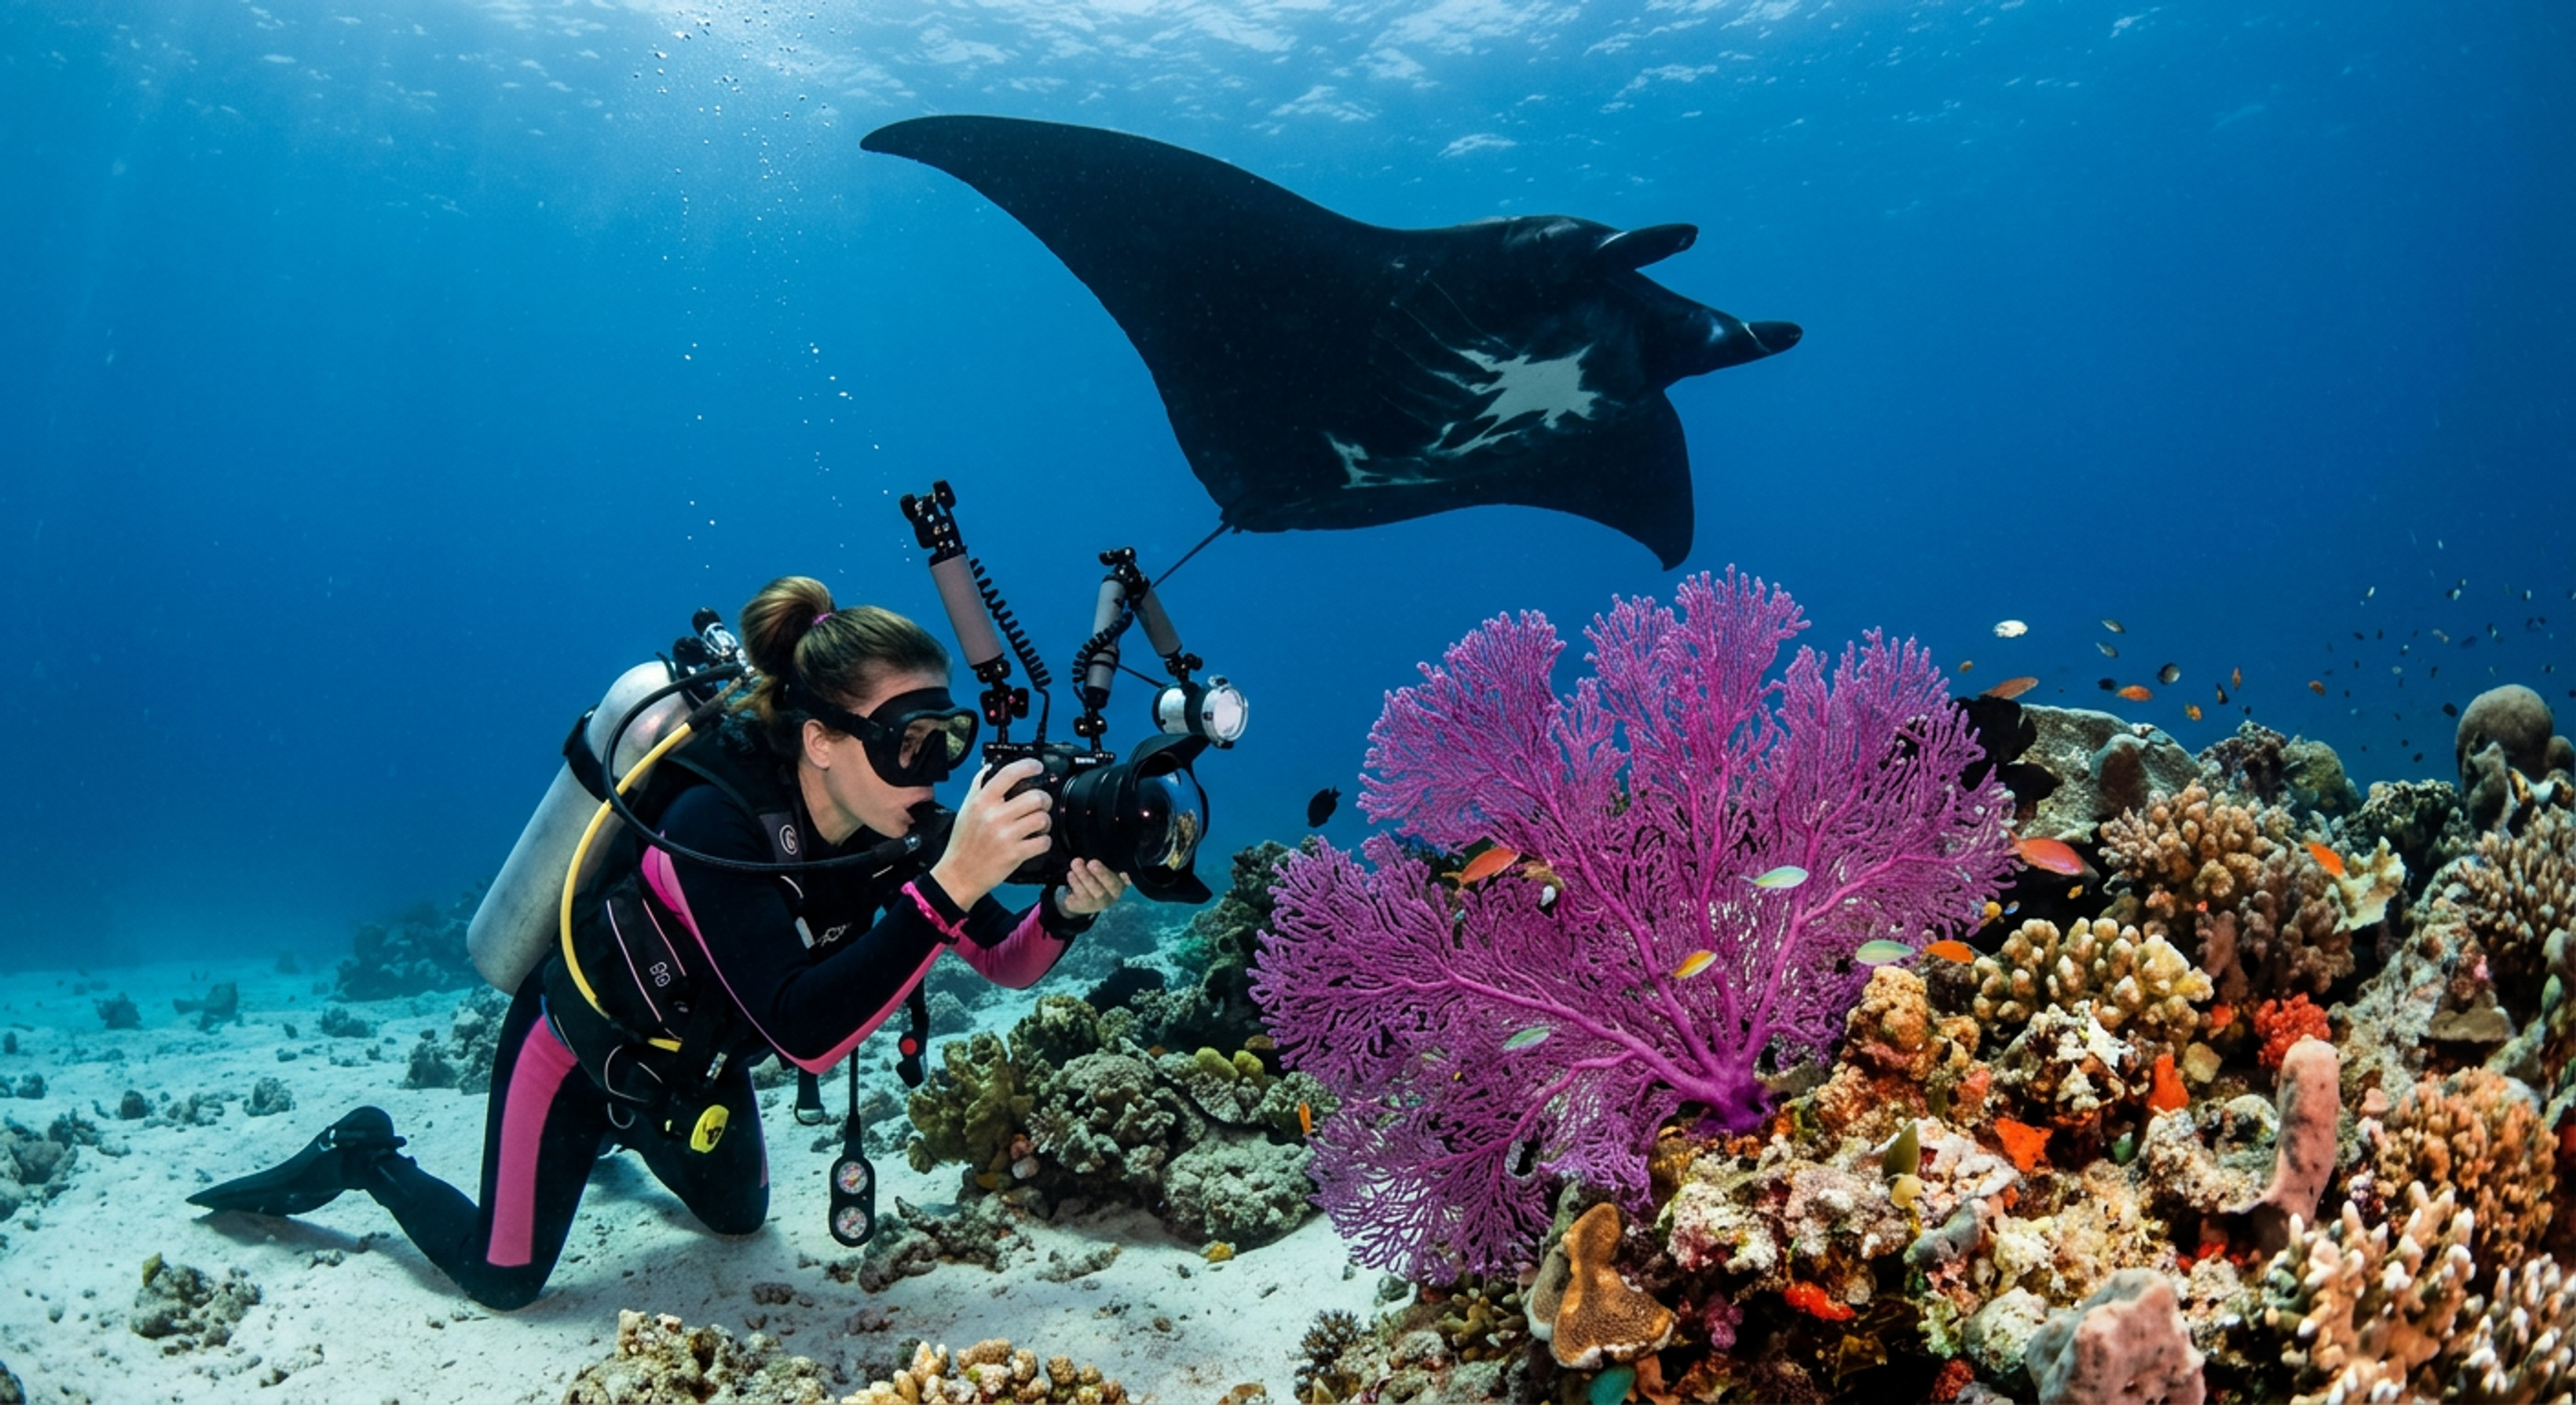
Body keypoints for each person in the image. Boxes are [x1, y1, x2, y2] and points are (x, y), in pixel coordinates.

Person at [189, 576, 1125, 1308]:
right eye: (907, 740)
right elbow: (803, 1032)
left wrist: (1067, 911)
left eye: (949, 737)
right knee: (507, 1280)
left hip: (699, 1073)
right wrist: (953, 882)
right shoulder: (713, 822)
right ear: (821, 742)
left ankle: (622, 1144)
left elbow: (1005, 963)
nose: (936, 769)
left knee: (738, 1220)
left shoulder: (907, 832)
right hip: (580, 1051)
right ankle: (367, 1154)